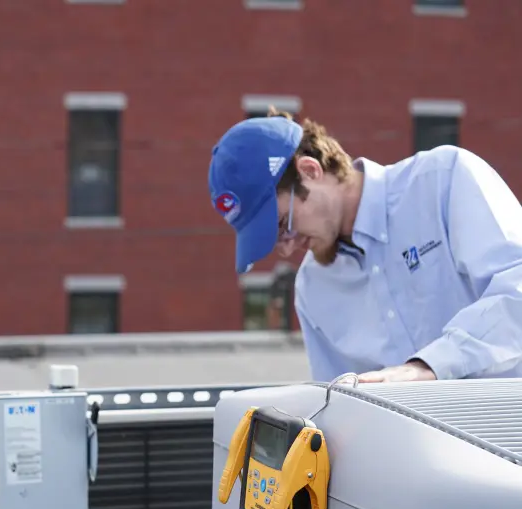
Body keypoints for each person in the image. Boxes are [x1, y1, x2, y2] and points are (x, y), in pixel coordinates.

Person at [208, 111, 522, 383]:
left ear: (310, 171)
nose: (288, 249)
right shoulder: (312, 289)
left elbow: (516, 292)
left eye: (283, 225)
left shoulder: (442, 181)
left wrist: (428, 368)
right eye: (274, 242)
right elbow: (344, 413)